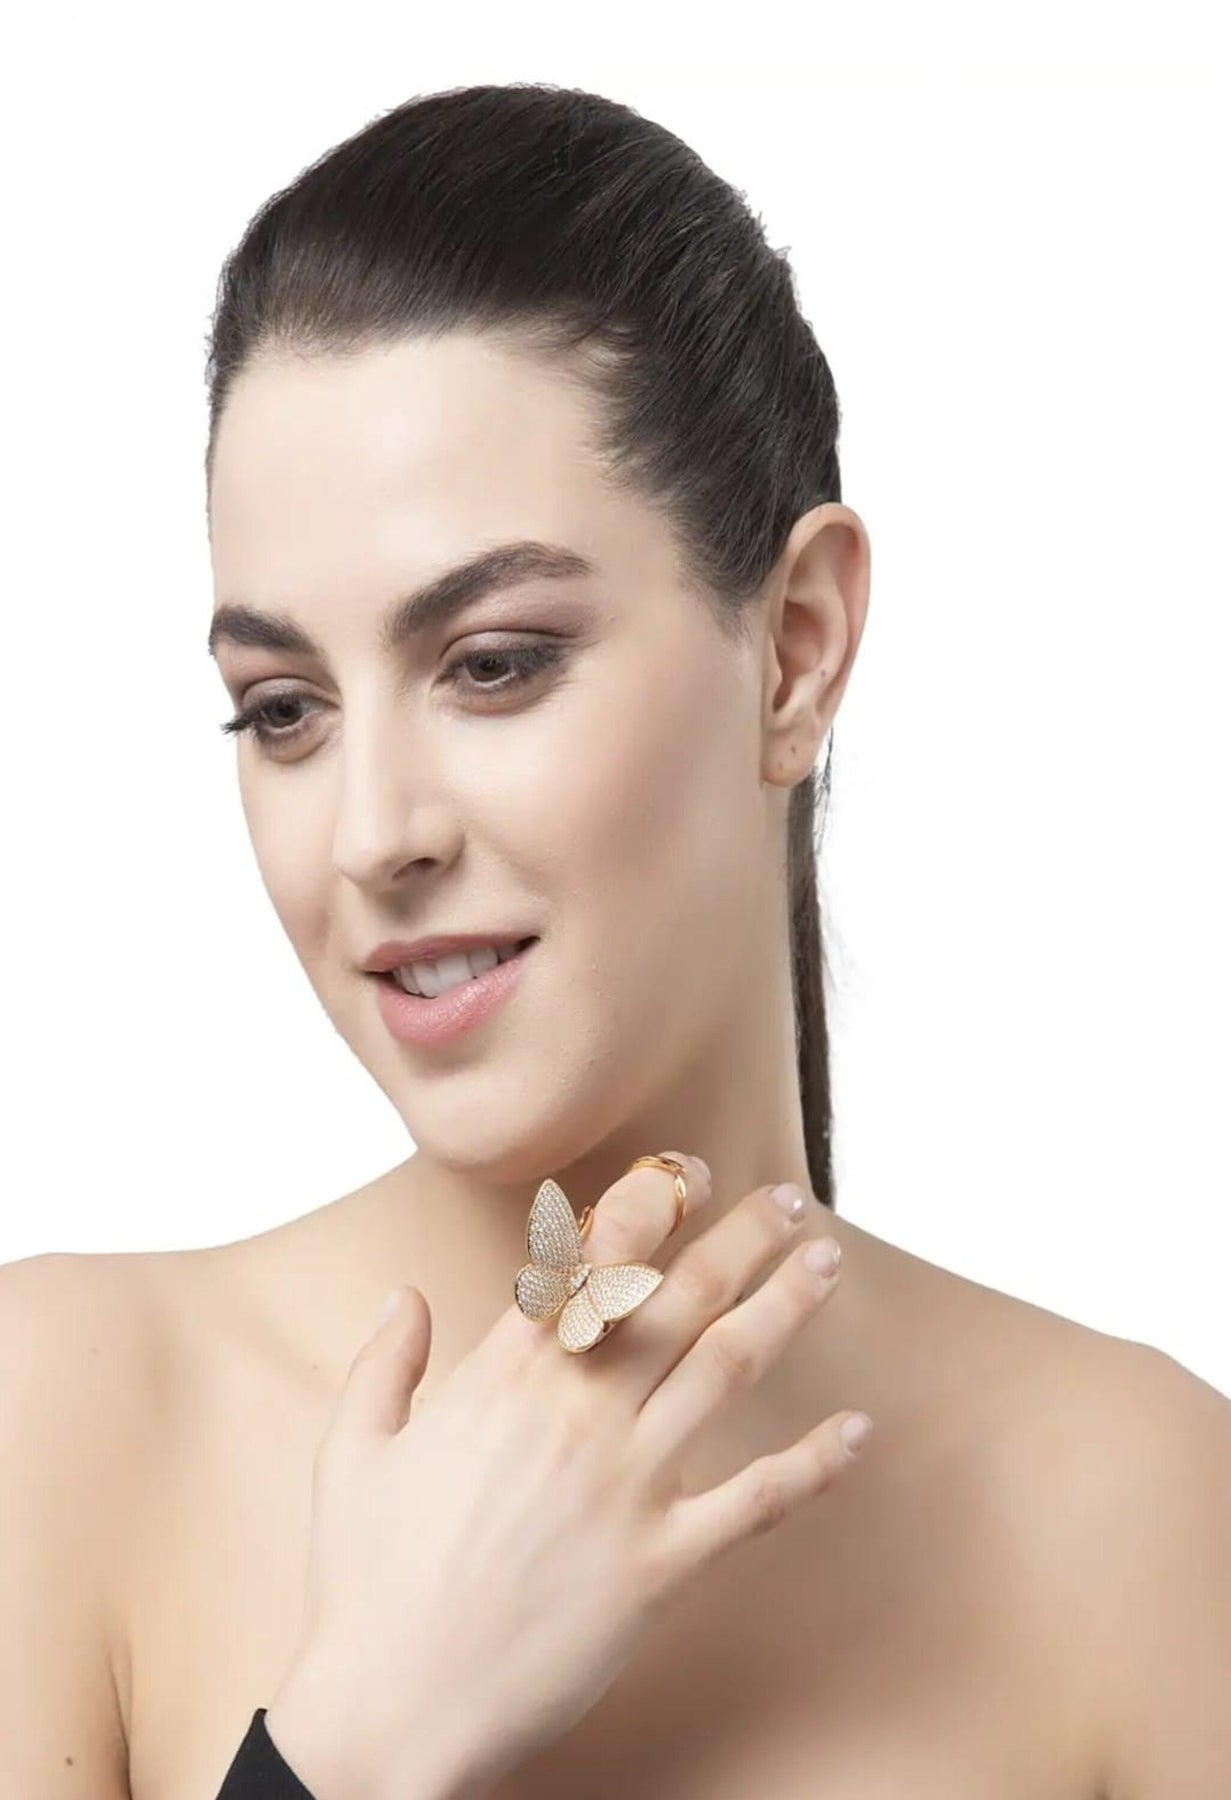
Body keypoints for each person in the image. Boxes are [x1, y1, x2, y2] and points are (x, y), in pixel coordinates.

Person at [2, 79, 1229, 1800]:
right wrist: (354, 1740)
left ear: (793, 649)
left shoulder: (1143, 1515)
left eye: (494, 663)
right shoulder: (65, 1423)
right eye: (283, 709)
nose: (372, 833)